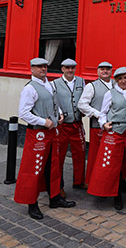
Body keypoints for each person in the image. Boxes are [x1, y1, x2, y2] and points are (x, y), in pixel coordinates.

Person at [14, 58, 76, 220]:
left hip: (52, 131)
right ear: (32, 69)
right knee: (34, 169)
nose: (43, 69)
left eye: (45, 66)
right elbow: (24, 113)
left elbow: (55, 102)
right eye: (39, 67)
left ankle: (54, 198)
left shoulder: (48, 84)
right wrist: (44, 121)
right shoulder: (29, 89)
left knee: (53, 165)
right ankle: (31, 203)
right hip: (38, 134)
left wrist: (60, 113)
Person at [88, 67, 126, 210]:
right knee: (113, 165)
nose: (123, 81)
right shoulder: (110, 94)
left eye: (125, 78)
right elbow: (103, 113)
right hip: (115, 131)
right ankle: (117, 196)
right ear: (116, 80)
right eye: (120, 78)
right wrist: (104, 124)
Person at [52, 58, 86, 198]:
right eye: (67, 67)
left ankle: (79, 181)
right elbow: (54, 101)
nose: (70, 70)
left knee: (80, 153)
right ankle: (58, 186)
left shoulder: (81, 81)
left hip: (77, 123)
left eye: (72, 67)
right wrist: (59, 113)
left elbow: (84, 99)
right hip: (63, 125)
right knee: (59, 156)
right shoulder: (54, 84)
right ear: (62, 69)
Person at [78, 61, 114, 185]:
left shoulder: (117, 84)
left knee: (112, 156)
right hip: (97, 127)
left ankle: (111, 183)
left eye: (108, 69)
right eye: (102, 69)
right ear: (98, 71)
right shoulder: (91, 86)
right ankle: (93, 182)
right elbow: (82, 105)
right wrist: (99, 114)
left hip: (115, 127)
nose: (105, 71)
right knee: (96, 155)